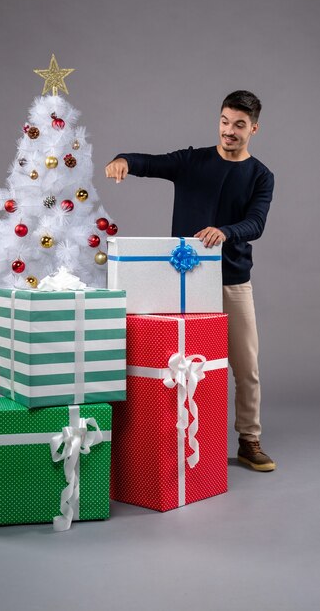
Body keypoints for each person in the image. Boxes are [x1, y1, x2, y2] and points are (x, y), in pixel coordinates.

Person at [105, 90, 276, 472]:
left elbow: (257, 223)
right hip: (180, 280)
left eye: (239, 126)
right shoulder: (192, 160)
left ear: (254, 129)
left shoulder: (261, 175)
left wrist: (227, 231)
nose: (229, 131)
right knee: (169, 361)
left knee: (246, 366)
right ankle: (158, 439)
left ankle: (249, 441)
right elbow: (149, 162)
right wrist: (123, 161)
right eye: (225, 122)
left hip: (231, 281)